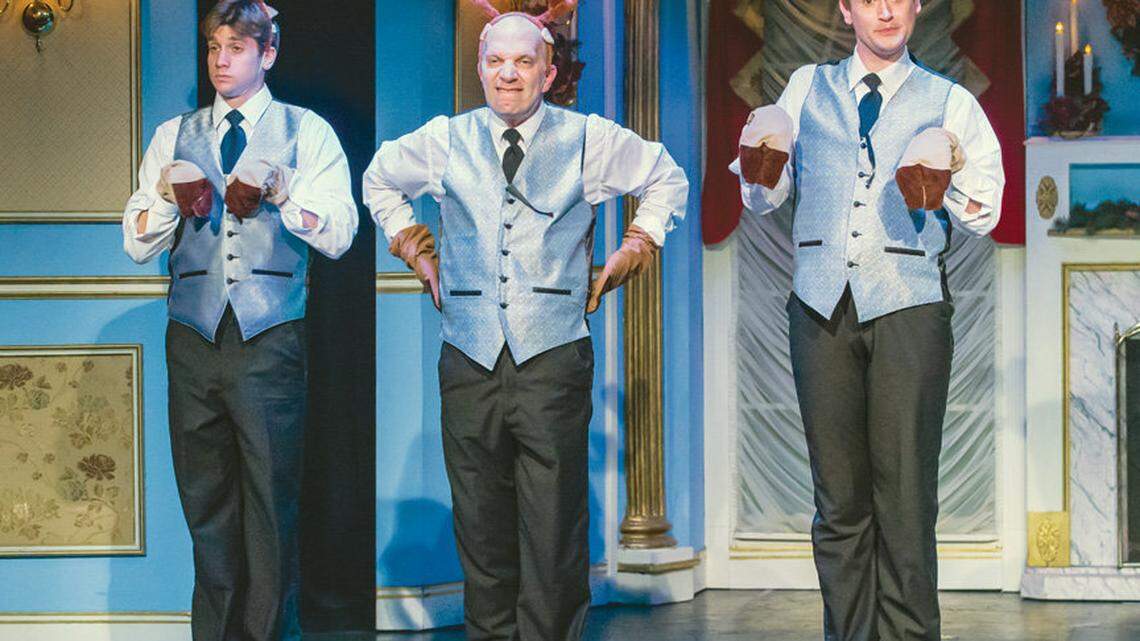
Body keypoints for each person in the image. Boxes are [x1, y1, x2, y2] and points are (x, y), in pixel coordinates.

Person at [363, 11, 688, 640]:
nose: (507, 74)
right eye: (494, 62)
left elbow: (665, 177)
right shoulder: (444, 139)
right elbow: (378, 177)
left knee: (552, 525)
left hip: (553, 354)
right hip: (469, 354)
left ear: (548, 72)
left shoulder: (588, 138)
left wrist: (635, 246)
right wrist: (413, 245)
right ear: (480, 68)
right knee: (481, 524)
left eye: (522, 63)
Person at [733, 1, 1004, 639]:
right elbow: (765, 195)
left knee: (905, 500)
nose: (885, 9)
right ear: (847, 10)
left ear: (915, 8)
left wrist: (945, 174)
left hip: (908, 306)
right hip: (819, 305)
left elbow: (986, 212)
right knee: (839, 502)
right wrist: (759, 161)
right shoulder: (805, 88)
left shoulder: (950, 100)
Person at [121, 2, 357, 639]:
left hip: (269, 338)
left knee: (269, 505)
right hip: (192, 338)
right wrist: (173, 203)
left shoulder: (306, 132)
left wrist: (285, 192)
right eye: (213, 48)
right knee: (206, 504)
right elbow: (137, 239)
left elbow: (340, 232)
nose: (221, 60)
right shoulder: (175, 134)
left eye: (236, 48)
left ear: (268, 53)